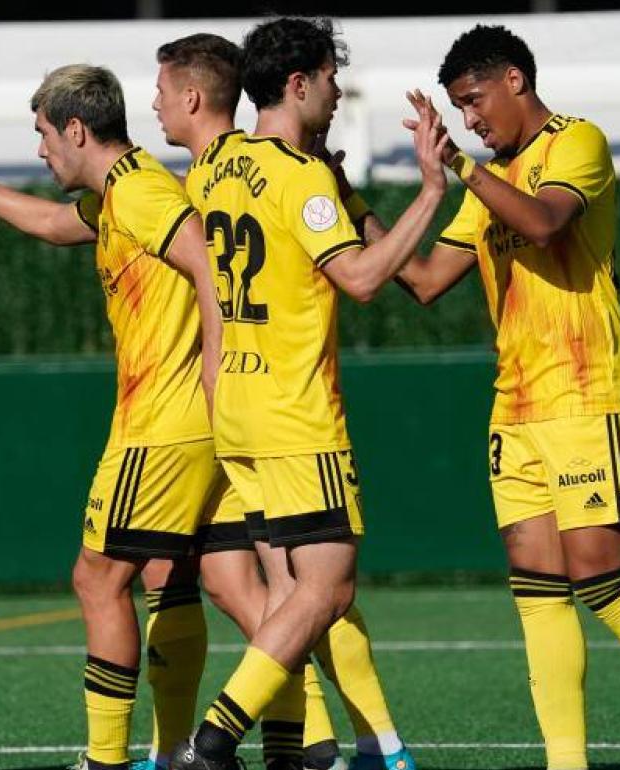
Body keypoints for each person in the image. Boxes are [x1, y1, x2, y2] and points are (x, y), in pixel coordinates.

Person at [0, 64, 221, 770]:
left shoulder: (142, 193)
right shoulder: (124, 191)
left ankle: (108, 759)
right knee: (179, 579)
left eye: (43, 134)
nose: (40, 150)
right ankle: (189, 748)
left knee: (97, 578)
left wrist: (215, 374)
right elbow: (57, 225)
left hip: (163, 425)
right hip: (181, 422)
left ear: (77, 129)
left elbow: (210, 261)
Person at [168, 17, 445, 770]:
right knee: (325, 589)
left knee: (304, 593)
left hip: (238, 410)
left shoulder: (215, 167)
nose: (333, 92)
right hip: (296, 413)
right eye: (329, 79)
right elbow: (358, 278)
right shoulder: (301, 176)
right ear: (298, 83)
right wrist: (429, 192)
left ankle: (378, 749)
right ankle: (216, 738)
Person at [387, 25, 620, 770]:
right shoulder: (493, 178)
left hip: (586, 394)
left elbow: (542, 224)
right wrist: (340, 199)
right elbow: (421, 281)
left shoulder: (578, 142)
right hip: (516, 407)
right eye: (458, 110)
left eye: (473, 102)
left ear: (514, 79)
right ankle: (565, 763)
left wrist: (465, 171)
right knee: (538, 592)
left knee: (601, 580)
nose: (471, 120)